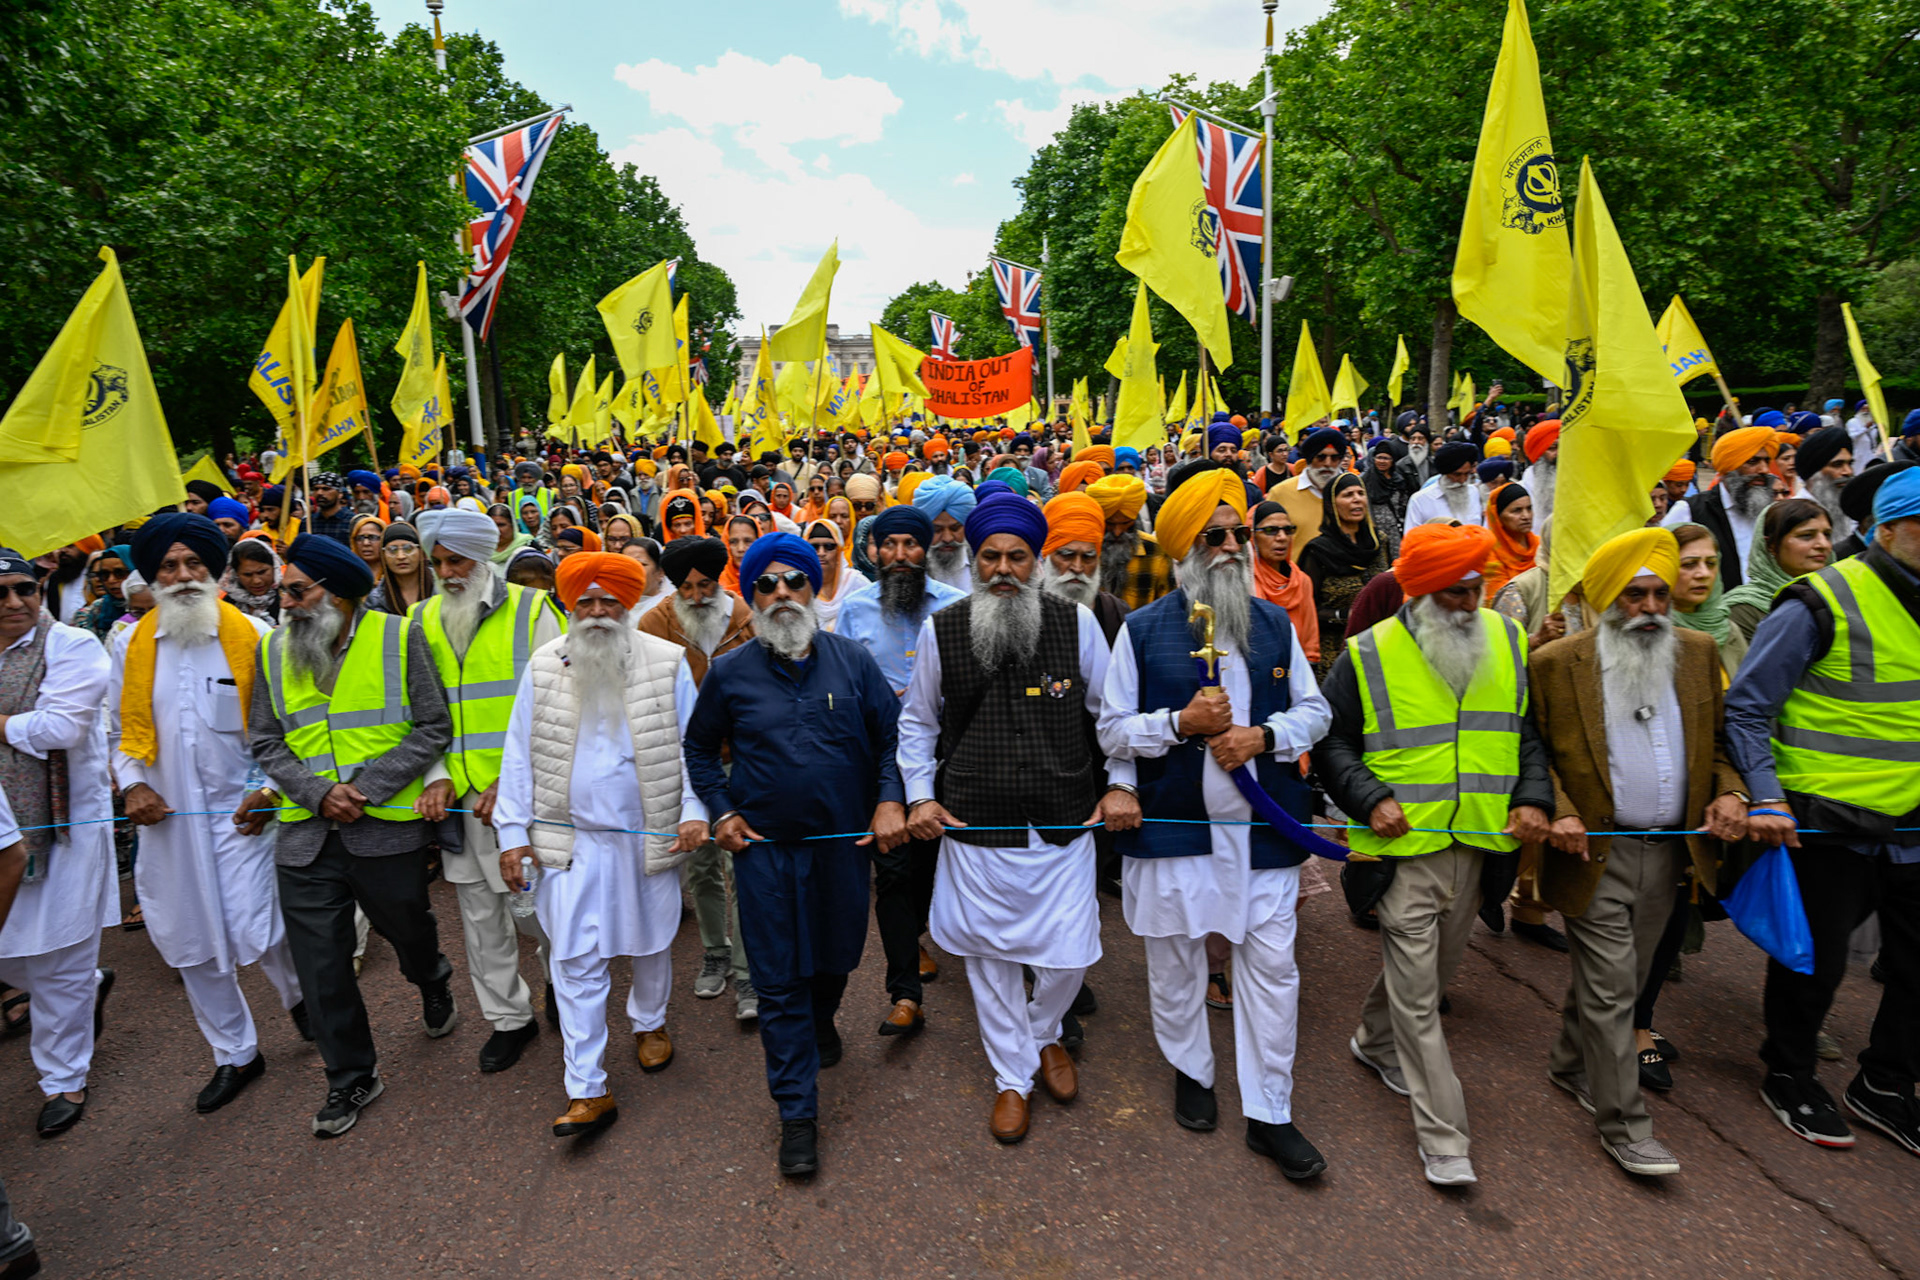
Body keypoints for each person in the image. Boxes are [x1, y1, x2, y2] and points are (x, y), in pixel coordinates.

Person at [1098, 467, 1333, 1181]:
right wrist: (1180, 723)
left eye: (1238, 533)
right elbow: (1111, 730)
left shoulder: (1272, 623)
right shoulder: (1141, 631)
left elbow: (1316, 711)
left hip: (1263, 835)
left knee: (1273, 972)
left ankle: (1270, 1111)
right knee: (1175, 967)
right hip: (1173, 834)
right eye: (1214, 536)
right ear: (1182, 550)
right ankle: (1192, 1071)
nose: (1232, 546)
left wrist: (1263, 737)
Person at [1317, 522, 1554, 1185]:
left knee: (1433, 974)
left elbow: (1526, 732)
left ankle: (1371, 1041)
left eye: (1477, 589)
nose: (1470, 603)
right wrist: (1369, 799)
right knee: (1422, 999)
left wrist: (1533, 798)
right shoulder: (1365, 654)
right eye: (1454, 593)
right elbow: (1331, 744)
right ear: (1419, 595)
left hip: (1480, 844)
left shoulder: (1507, 639)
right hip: (1400, 852)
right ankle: (1445, 1137)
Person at [899, 494, 1135, 1144]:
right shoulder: (941, 629)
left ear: (1036, 562)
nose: (1003, 568)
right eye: (991, 557)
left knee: (1068, 955)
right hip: (974, 822)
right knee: (990, 958)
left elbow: (1110, 716)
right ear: (975, 562)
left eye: (1017, 557)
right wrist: (920, 796)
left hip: (1063, 818)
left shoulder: (1076, 624)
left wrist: (1120, 784)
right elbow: (917, 722)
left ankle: (1043, 1032)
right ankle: (1013, 1076)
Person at [1527, 528, 1750, 1177]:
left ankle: (1570, 1063)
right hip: (1594, 851)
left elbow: (1717, 746)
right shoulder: (1554, 663)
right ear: (1604, 601)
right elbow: (1533, 753)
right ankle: (1625, 1125)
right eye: (1634, 596)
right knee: (1613, 988)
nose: (1651, 608)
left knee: (1623, 976)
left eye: (1659, 593)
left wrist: (1732, 794)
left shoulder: (1699, 651)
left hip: (1673, 854)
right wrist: (1561, 810)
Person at [684, 531, 907, 1176]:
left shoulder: (853, 662)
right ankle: (797, 1114)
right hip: (765, 854)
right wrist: (722, 812)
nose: (781, 593)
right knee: (778, 980)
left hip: (844, 849)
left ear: (813, 588)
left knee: (836, 959)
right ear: (750, 596)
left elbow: (889, 742)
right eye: (766, 584)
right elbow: (700, 749)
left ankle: (823, 1017)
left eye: (794, 581)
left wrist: (889, 801)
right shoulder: (730, 672)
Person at [1725, 468, 1920, 1157]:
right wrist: (1768, 796)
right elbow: (1747, 706)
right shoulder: (1821, 600)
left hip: (1914, 826)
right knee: (1816, 964)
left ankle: (1888, 1083)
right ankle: (1790, 1072)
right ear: (1885, 531)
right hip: (1827, 820)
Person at [235, 533, 457, 1138]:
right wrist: (315, 793)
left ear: (334, 593)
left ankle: (431, 975)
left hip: (384, 827)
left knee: (408, 927)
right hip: (305, 836)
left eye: (296, 590)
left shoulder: (399, 635)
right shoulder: (273, 650)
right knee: (322, 964)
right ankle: (350, 1076)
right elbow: (266, 741)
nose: (284, 602)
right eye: (284, 590)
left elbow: (433, 725)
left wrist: (370, 786)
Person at [494, 553, 702, 1138]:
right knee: (574, 961)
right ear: (568, 605)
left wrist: (693, 811)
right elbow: (517, 756)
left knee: (652, 941)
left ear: (628, 602)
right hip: (570, 845)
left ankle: (650, 1022)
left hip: (649, 835)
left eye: (608, 600)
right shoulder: (543, 666)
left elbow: (694, 749)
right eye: (585, 601)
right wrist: (512, 837)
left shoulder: (665, 662)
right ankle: (587, 1090)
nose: (596, 612)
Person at [109, 516, 306, 1113]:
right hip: (168, 822)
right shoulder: (128, 644)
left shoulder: (254, 632)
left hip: (246, 813)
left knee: (262, 926)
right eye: (169, 566)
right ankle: (235, 1054)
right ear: (153, 576)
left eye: (194, 563)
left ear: (215, 569)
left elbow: (283, 730)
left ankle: (304, 1004)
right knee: (189, 938)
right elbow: (116, 732)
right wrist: (133, 786)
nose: (183, 576)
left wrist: (270, 791)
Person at [410, 509, 565, 1074]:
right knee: (481, 915)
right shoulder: (419, 620)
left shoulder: (533, 610)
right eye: (439, 562)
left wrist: (511, 782)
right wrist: (436, 778)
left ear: (483, 559)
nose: (448, 572)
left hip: (526, 796)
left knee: (544, 908)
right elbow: (417, 715)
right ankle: (508, 1019)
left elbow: (556, 705)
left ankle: (560, 991)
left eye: (458, 561)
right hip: (460, 801)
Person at [832, 505, 966, 1035]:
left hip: (947, 755)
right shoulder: (856, 609)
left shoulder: (958, 606)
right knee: (892, 869)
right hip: (882, 757)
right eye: (889, 545)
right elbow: (841, 685)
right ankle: (905, 992)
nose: (900, 556)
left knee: (935, 860)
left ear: (926, 549)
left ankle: (927, 931)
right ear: (873, 551)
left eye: (911, 545)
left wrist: (932, 697)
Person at [0, 550, 117, 1137]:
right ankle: (85, 989)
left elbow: (60, 728)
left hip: (63, 828)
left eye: (26, 588)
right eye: (1, 594)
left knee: (62, 956)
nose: (17, 603)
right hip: (2, 834)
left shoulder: (72, 646)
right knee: (16, 958)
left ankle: (63, 1077)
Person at [639, 536, 757, 1019]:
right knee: (702, 865)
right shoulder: (654, 623)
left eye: (704, 585)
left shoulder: (747, 620)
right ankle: (716, 951)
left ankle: (749, 976)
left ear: (718, 581)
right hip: (685, 763)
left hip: (744, 762)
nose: (694, 597)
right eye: (684, 587)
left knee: (743, 867)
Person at [1296, 473, 1389, 676]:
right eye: (1348, 495)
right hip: (1335, 651)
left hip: (1377, 646)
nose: (1356, 499)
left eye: (1360, 493)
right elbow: (1307, 610)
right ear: (1331, 505)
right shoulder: (1318, 551)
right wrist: (1347, 616)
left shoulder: (1378, 542)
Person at [1724, 498, 1832, 643]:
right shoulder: (1744, 609)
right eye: (1807, 536)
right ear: (1772, 546)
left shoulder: (1839, 595)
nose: (1823, 544)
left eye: (1827, 535)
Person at [1693, 425, 1780, 589]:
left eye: (1767, 461)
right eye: (1753, 461)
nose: (1764, 470)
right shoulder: (1692, 510)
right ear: (1730, 466)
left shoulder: (1773, 511)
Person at [1038, 493, 1129, 643]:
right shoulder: (1025, 613)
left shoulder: (1117, 614)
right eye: (1067, 555)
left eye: (1088, 557)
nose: (1078, 567)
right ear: (1047, 554)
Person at [1668, 524, 1747, 679]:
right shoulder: (1650, 634)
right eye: (1689, 564)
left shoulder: (1726, 629)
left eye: (1711, 563)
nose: (1703, 574)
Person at [1249, 500, 1319, 667]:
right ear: (1252, 536)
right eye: (1270, 530)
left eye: (1288, 530)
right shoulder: (1244, 582)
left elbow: (1310, 642)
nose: (1282, 537)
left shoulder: (1301, 581)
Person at [1088, 475, 1170, 611]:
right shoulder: (1085, 552)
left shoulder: (1157, 551)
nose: (1117, 532)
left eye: (1125, 523)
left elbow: (1166, 608)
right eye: (1109, 524)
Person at [1269, 427, 1349, 547]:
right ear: (1310, 460)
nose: (1327, 463)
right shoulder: (1280, 493)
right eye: (1321, 457)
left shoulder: (1353, 492)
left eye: (1334, 458)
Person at [912, 476, 977, 591]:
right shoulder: (911, 567)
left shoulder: (982, 563)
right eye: (937, 530)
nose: (947, 538)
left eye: (955, 528)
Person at [1794, 426, 1857, 544]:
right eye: (1837, 464)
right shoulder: (1791, 514)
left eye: (1850, 463)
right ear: (1814, 473)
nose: (1848, 471)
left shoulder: (1849, 510)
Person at [1402, 442, 1483, 528]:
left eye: (1467, 474)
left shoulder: (1474, 493)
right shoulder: (1420, 500)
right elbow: (1411, 537)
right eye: (1457, 475)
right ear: (1444, 473)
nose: (1463, 480)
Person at [1481, 483, 1538, 598]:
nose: (1526, 516)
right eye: (1517, 511)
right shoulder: (1489, 555)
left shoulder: (1541, 546)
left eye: (1529, 508)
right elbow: (1502, 600)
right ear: (1498, 517)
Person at [367, 523, 430, 615]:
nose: (401, 556)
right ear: (383, 556)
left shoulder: (440, 588)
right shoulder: (376, 599)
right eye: (392, 550)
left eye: (408, 549)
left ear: (421, 552)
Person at [1364, 441, 1411, 557]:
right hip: (1372, 529)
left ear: (1393, 460)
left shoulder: (1398, 480)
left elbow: (1403, 504)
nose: (1382, 461)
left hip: (1394, 529)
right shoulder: (1365, 480)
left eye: (1386, 458)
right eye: (1379, 457)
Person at [1518, 420, 1560, 527]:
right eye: (1552, 448)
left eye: (1563, 447)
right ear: (1539, 454)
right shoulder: (1520, 491)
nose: (1559, 453)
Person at [305, 472, 355, 546]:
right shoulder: (307, 523)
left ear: (340, 494)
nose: (319, 493)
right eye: (316, 489)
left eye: (326, 489)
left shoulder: (352, 522)